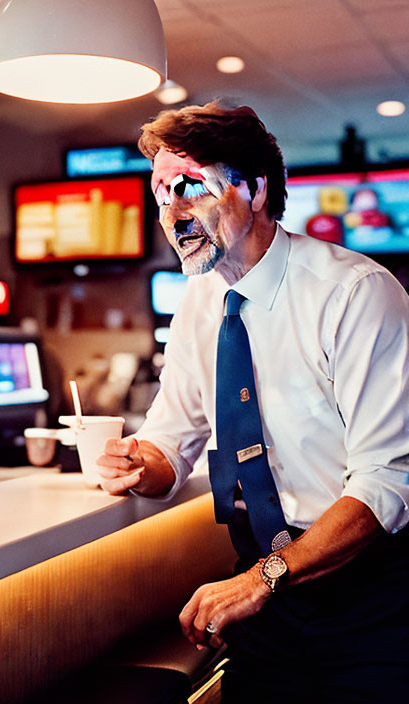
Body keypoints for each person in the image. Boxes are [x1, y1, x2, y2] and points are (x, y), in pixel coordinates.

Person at [97, 102, 409, 701]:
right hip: (269, 605)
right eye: (162, 194)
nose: (173, 213)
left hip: (368, 595)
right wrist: (135, 463)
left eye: (191, 188)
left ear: (256, 189)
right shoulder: (198, 303)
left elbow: (386, 483)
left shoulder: (355, 296)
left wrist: (261, 580)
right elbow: (171, 442)